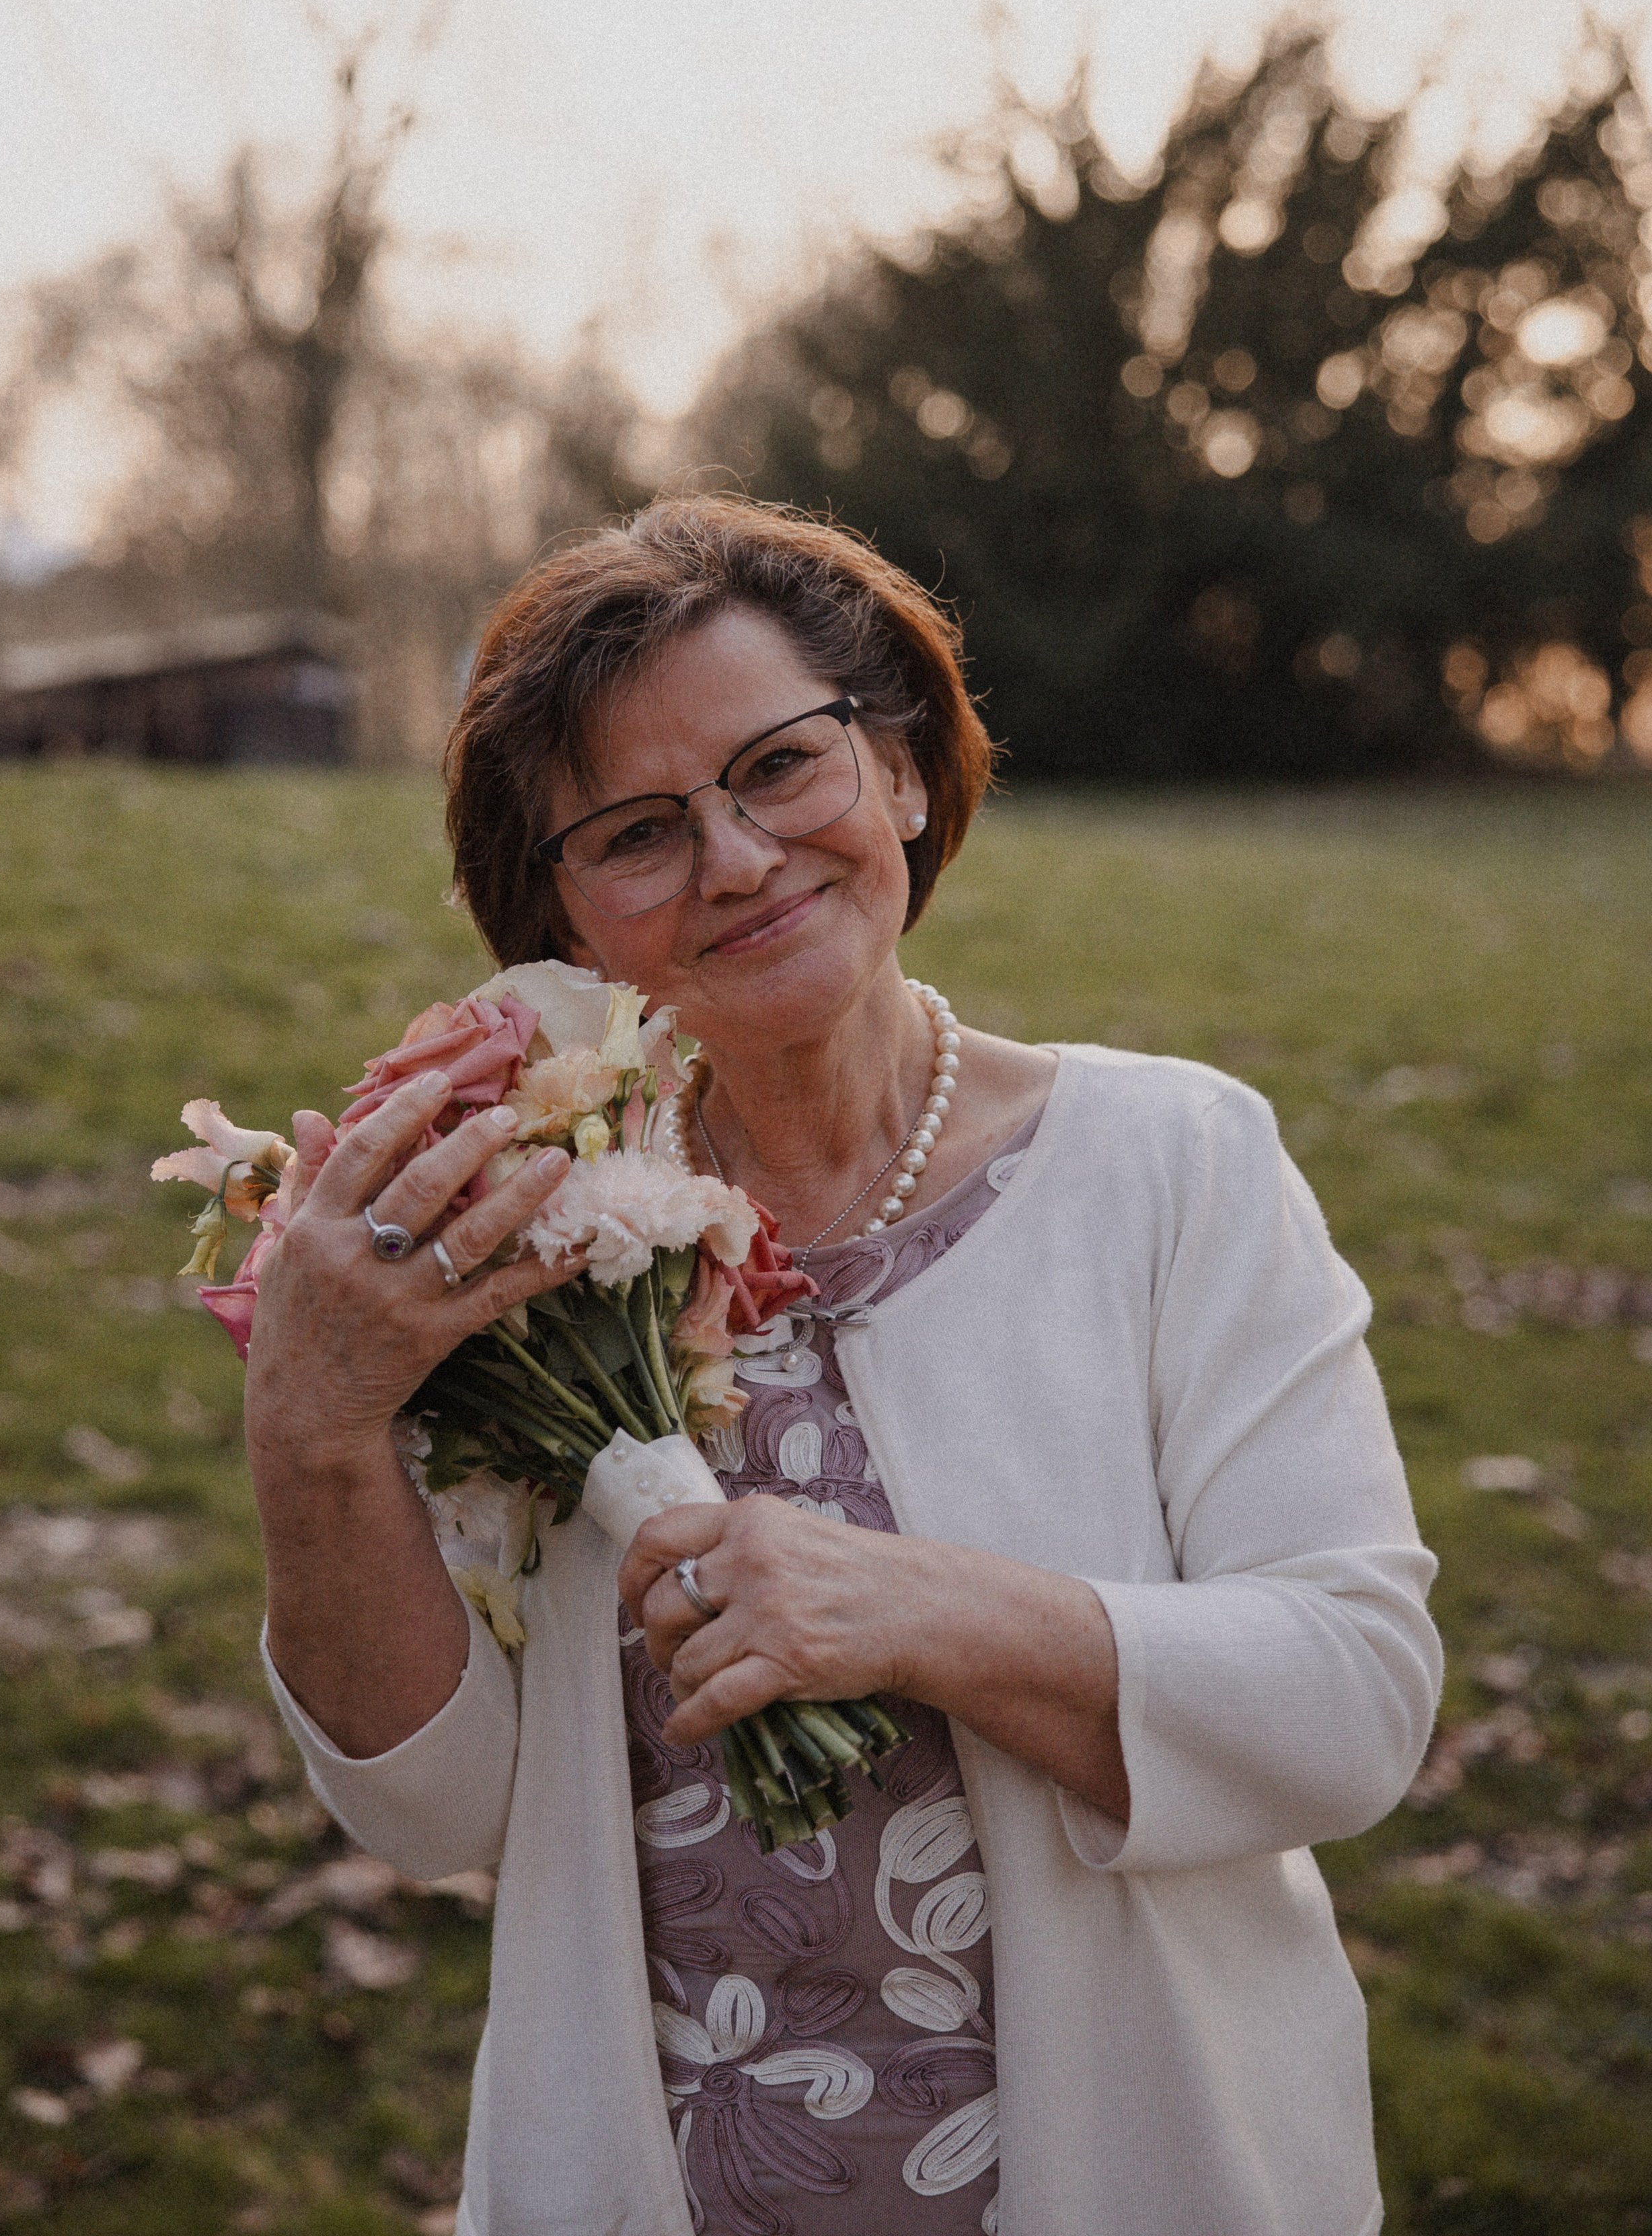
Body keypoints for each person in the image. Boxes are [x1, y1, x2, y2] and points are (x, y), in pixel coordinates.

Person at [246, 496, 1441, 2236]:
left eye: (782, 767)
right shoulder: (526, 1231)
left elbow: (1355, 1702)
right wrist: (317, 1427)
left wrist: (909, 1609)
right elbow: (428, 1810)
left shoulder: (1176, 1162)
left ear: (899, 772)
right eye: (639, 833)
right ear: (563, 924)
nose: (734, 861)